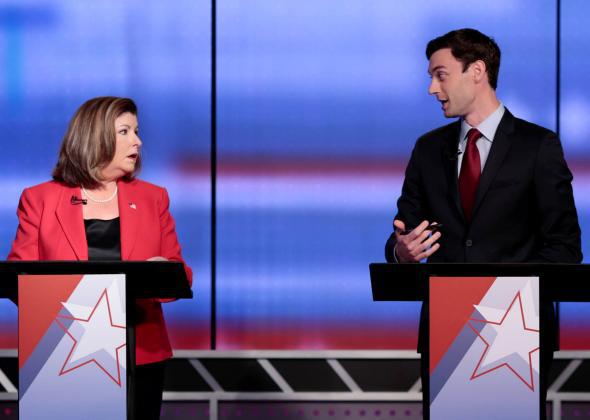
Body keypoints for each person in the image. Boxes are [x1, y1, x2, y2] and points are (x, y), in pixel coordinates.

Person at [384, 29, 582, 418]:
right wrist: (401, 252)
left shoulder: (537, 146)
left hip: (516, 339)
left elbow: (565, 247)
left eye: (440, 75)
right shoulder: (427, 150)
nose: (431, 88)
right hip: (446, 338)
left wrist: (501, 299)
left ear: (477, 71)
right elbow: (402, 236)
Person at [8, 96, 193, 419]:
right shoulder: (39, 199)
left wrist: (161, 275)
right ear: (95, 137)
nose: (137, 141)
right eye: (125, 131)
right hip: (62, 353)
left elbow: (180, 276)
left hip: (140, 353)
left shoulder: (153, 198)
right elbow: (17, 278)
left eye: (136, 131)